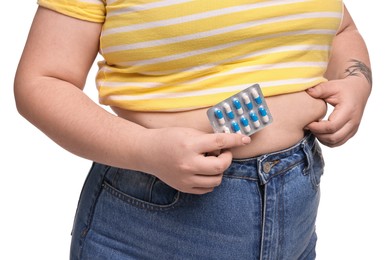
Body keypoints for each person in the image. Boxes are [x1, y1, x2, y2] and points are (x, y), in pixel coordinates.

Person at [14, 1, 371, 259]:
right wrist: (144, 149)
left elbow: (342, 29)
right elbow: (41, 81)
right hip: (154, 218)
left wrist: (355, 81)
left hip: (298, 200)